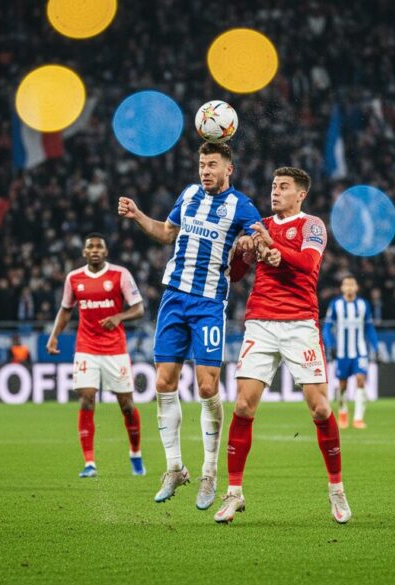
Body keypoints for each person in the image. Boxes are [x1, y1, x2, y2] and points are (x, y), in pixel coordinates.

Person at [118, 141, 260, 509]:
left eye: (212, 165)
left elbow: (261, 236)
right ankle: (175, 468)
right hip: (174, 298)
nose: (205, 171)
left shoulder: (241, 205)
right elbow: (167, 233)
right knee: (164, 381)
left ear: (229, 169)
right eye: (201, 164)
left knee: (206, 383)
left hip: (209, 302)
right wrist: (137, 215)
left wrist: (250, 239)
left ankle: (209, 472)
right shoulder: (189, 195)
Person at [215, 167, 351, 524]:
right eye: (273, 186)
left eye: (284, 187)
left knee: (320, 409)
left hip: (300, 323)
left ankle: (336, 490)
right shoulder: (259, 224)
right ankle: (233, 494)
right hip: (260, 321)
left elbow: (307, 265)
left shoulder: (313, 226)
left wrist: (274, 248)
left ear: (300, 194)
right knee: (243, 405)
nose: (275, 192)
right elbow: (237, 274)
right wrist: (243, 253)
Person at [46, 233, 146, 477]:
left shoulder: (120, 275)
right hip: (86, 348)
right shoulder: (74, 278)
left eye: (98, 246)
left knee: (126, 405)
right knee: (87, 399)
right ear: (84, 252)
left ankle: (135, 453)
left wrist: (119, 317)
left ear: (106, 251)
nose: (94, 250)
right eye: (89, 246)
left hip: (115, 350)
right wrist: (54, 335)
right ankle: (89, 463)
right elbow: (66, 310)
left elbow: (139, 308)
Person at [323, 276, 380, 429]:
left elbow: (369, 328)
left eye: (352, 284)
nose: (349, 287)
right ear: (342, 288)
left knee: (361, 380)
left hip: (360, 351)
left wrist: (376, 347)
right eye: (346, 284)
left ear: (356, 287)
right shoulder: (336, 304)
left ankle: (358, 418)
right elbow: (327, 327)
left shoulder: (363, 305)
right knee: (342, 385)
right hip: (341, 352)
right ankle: (343, 413)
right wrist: (331, 345)